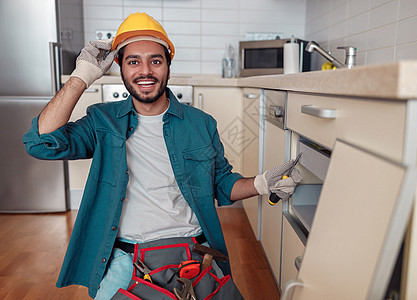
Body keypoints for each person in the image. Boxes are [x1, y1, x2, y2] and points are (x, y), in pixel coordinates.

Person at [23, 12, 301, 299]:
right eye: (134, 61)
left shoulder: (201, 123)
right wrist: (81, 77)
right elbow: (41, 143)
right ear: (119, 67)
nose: (145, 71)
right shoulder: (103, 121)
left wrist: (263, 183)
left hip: (193, 252)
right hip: (128, 258)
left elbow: (221, 184)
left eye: (155, 60)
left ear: (168, 65)